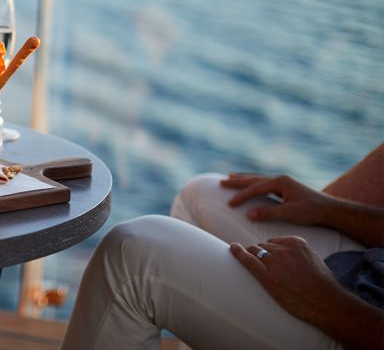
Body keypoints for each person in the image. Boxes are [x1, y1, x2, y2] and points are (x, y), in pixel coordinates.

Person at [60, 142, 384, 350]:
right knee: (200, 196)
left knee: (133, 254)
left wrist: (327, 303)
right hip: (366, 270)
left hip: (356, 326)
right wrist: (327, 207)